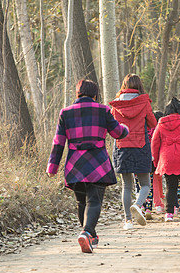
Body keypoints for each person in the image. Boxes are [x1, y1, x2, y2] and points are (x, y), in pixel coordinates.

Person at [47, 79, 129, 253]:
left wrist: (52, 167)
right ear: (95, 94)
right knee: (94, 201)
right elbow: (117, 133)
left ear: (78, 93)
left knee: (81, 202)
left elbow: (58, 143)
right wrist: (126, 129)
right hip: (97, 162)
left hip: (75, 164)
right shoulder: (103, 110)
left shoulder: (65, 113)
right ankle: (87, 232)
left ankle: (90, 235)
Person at [110, 74, 157, 230]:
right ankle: (137, 205)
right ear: (139, 85)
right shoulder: (144, 102)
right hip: (140, 146)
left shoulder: (116, 105)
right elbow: (152, 123)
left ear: (124, 85)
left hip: (122, 146)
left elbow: (112, 126)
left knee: (126, 186)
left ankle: (128, 221)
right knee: (145, 184)